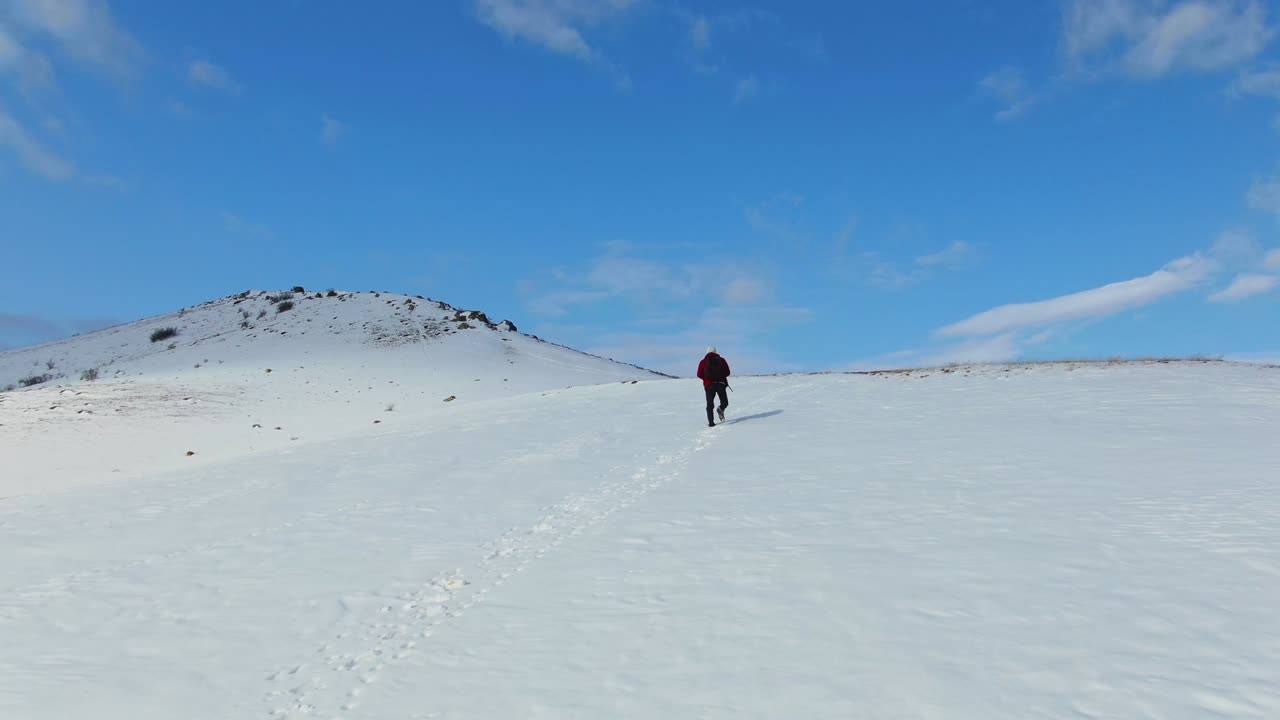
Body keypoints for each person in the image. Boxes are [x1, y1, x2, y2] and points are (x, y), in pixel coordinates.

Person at [697, 346, 730, 427]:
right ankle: (721, 408)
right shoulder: (721, 360)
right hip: (720, 384)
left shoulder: (703, 362)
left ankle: (711, 423)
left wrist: (706, 379)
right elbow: (728, 372)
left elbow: (699, 374)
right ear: (715, 351)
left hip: (709, 385)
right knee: (724, 402)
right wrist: (721, 377)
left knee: (709, 405)